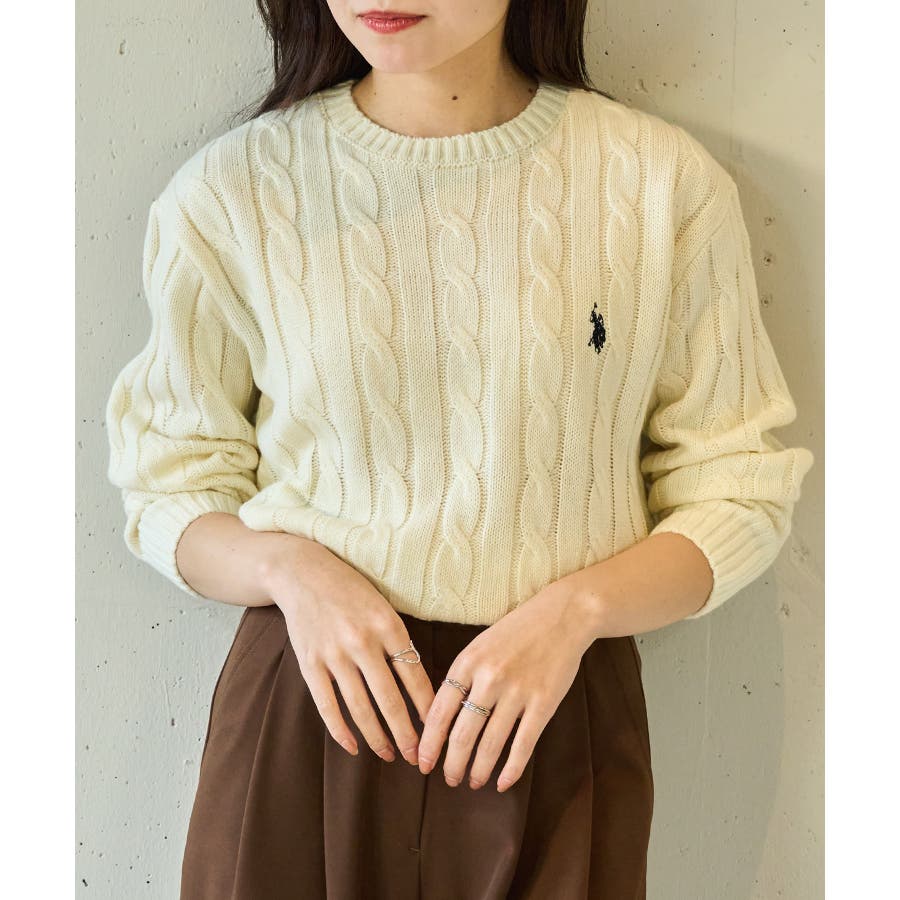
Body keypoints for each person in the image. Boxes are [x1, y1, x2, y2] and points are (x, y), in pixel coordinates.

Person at [104, 1, 815, 898]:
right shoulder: (234, 191)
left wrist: (578, 612)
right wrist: (291, 572)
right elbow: (169, 482)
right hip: (311, 707)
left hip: (553, 715)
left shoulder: (657, 183)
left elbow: (736, 485)